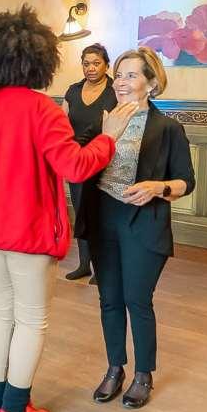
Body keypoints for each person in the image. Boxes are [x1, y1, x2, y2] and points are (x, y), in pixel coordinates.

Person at [0, 4, 137, 412]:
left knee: (0, 314)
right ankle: (15, 411)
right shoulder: (43, 110)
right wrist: (108, 138)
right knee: (30, 321)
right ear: (37, 58)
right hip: (28, 230)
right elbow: (75, 167)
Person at [75, 47, 195, 410]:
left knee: (137, 300)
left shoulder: (168, 128)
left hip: (143, 222)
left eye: (131, 75)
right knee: (109, 298)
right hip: (103, 219)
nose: (121, 82)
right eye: (119, 75)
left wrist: (159, 187)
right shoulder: (103, 121)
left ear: (151, 82)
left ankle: (144, 374)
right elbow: (77, 159)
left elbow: (186, 182)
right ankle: (115, 368)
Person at [62, 43, 117, 283]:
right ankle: (84, 264)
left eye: (96, 63)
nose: (91, 68)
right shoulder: (73, 91)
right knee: (81, 212)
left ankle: (102, 267)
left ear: (106, 65)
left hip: (105, 160)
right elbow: (62, 124)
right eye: (86, 64)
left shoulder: (115, 91)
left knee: (102, 216)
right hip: (77, 161)